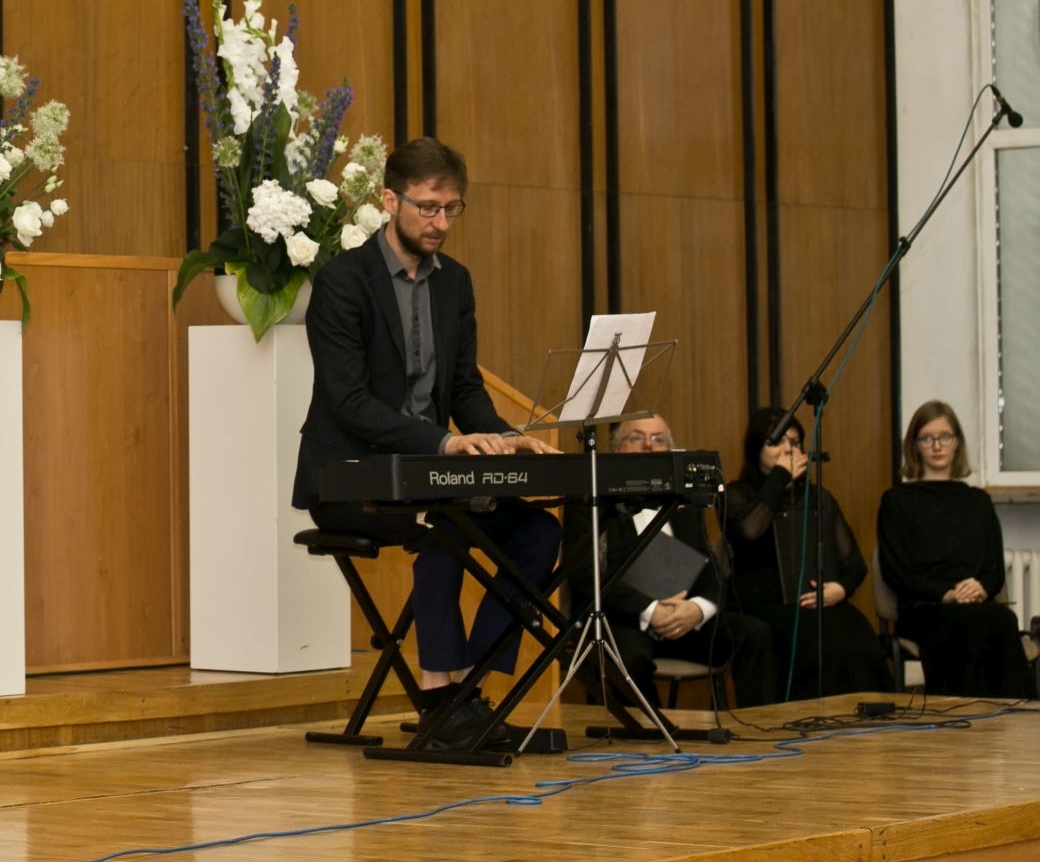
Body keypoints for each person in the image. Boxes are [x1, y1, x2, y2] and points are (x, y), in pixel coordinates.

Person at [297, 137, 561, 750]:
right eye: (428, 207)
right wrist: (444, 444)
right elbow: (350, 401)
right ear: (391, 201)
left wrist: (505, 438)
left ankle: (470, 695)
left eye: (452, 209)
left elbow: (465, 388)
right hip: (348, 479)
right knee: (445, 525)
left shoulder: (454, 284)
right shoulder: (341, 282)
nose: (441, 222)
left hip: (431, 476)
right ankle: (440, 699)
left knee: (539, 532)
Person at [562, 415, 777, 709]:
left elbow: (708, 569)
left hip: (683, 617)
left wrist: (697, 610)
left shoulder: (684, 501)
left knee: (754, 634)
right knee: (628, 660)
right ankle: (656, 732)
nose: (648, 446)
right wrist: (651, 611)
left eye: (658, 440)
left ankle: (758, 725)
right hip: (622, 617)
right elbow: (585, 576)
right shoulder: (589, 500)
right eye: (637, 438)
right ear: (617, 449)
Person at [724, 407, 888, 699]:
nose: (788, 450)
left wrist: (840, 589)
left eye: (795, 442)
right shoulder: (737, 494)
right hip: (765, 605)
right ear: (756, 449)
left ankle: (869, 719)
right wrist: (779, 477)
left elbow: (855, 563)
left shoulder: (818, 497)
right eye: (776, 442)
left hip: (819, 603)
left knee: (858, 636)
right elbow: (750, 530)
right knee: (817, 642)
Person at [877, 401, 1035, 699]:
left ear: (957, 442)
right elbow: (896, 571)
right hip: (925, 607)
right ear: (915, 445)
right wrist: (945, 594)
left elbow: (994, 570)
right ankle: (964, 716)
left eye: (945, 436)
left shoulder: (978, 501)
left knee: (1002, 619)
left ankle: (1019, 716)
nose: (937, 445)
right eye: (927, 438)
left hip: (974, 604)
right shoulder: (896, 501)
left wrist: (980, 587)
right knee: (970, 624)